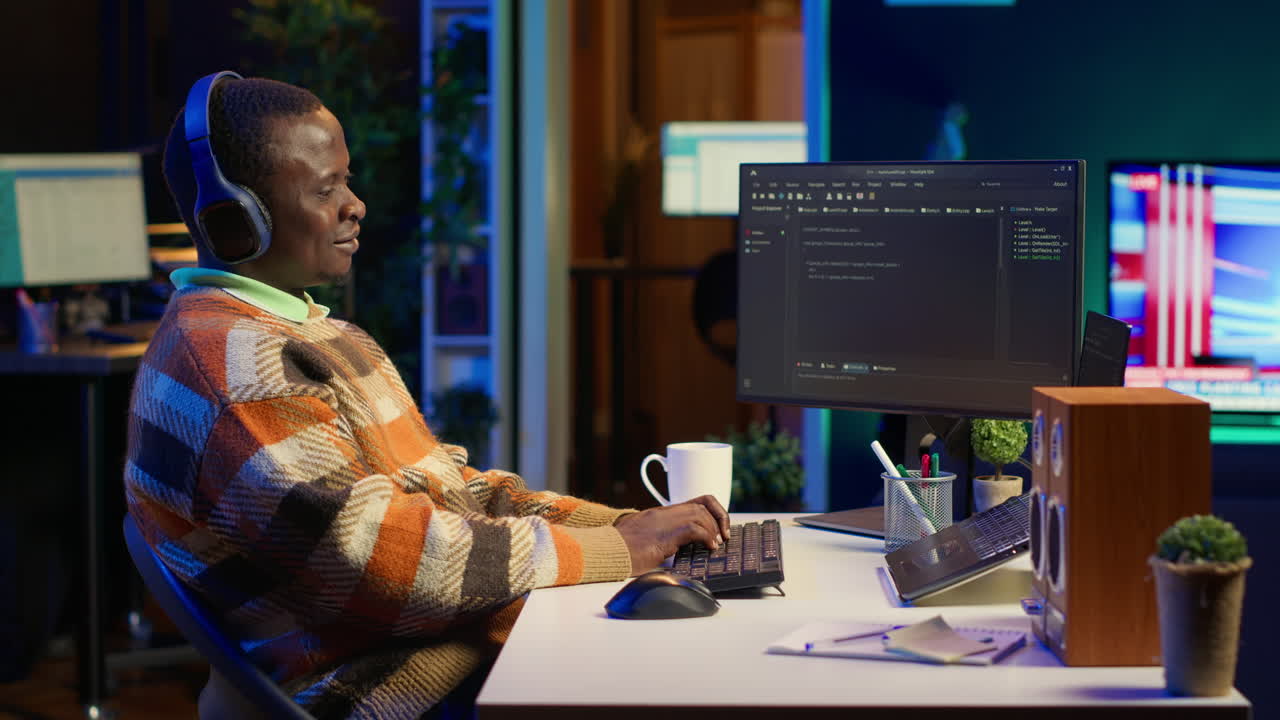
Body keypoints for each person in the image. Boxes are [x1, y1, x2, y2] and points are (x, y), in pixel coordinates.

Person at [124, 74, 730, 720]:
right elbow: (390, 560)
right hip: (396, 689)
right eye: (325, 189)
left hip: (450, 653)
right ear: (235, 220)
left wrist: (624, 528)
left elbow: (457, 493)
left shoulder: (314, 332)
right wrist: (622, 551)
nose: (355, 204)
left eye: (347, 180)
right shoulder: (234, 370)